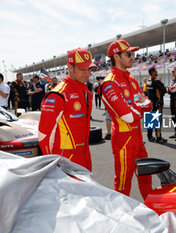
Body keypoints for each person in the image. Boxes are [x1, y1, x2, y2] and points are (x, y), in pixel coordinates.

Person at [98, 39, 152, 200]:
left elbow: (149, 105)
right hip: (123, 140)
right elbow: (127, 116)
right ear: (116, 56)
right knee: (123, 183)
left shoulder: (132, 80)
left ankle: (152, 213)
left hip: (138, 138)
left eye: (133, 53)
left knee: (146, 178)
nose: (132, 57)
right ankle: (122, 218)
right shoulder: (109, 83)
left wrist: (135, 107)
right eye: (129, 54)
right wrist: (138, 106)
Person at [38, 48, 96, 171]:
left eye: (89, 68)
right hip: (65, 160)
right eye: (82, 69)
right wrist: (51, 165)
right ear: (70, 67)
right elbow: (44, 134)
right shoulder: (57, 94)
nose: (87, 73)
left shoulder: (84, 91)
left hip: (85, 155)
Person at [146, 66, 167, 143]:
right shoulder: (156, 81)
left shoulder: (148, 81)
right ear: (153, 72)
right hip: (157, 104)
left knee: (150, 119)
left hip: (150, 103)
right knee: (158, 120)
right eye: (156, 71)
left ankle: (150, 136)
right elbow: (164, 90)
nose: (157, 72)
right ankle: (158, 137)